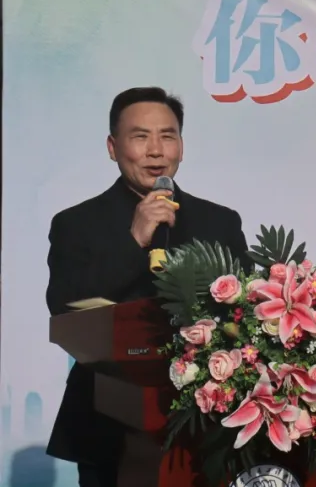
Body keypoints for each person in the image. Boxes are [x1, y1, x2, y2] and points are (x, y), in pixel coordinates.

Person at [44, 87, 251, 487]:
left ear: (181, 146)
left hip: (209, 422)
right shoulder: (76, 223)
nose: (156, 151)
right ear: (113, 147)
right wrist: (134, 240)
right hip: (108, 425)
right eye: (140, 137)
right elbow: (65, 307)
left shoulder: (220, 222)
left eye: (167, 136)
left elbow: (246, 312)